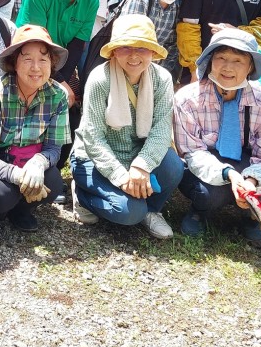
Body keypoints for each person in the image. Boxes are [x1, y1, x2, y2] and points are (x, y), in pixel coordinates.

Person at [71, 15, 184, 238]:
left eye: (142, 48)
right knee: (129, 213)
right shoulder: (99, 78)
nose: (134, 55)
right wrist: (122, 178)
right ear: (113, 51)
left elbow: (162, 130)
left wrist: (141, 167)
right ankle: (82, 196)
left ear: (153, 52)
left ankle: (152, 211)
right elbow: (93, 139)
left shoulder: (162, 79)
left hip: (135, 154)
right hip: (94, 160)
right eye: (125, 47)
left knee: (173, 166)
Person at [173, 28, 261, 242]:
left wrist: (251, 181)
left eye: (238, 61)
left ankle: (249, 214)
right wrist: (230, 176)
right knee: (208, 195)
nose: (228, 67)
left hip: (246, 164)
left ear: (251, 67)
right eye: (221, 58)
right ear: (209, 61)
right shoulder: (187, 98)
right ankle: (200, 212)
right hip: (202, 165)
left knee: (260, 200)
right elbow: (191, 151)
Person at [0, 25, 69, 233]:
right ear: (14, 63)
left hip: (27, 158)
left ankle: (21, 210)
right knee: (3, 195)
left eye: (43, 59)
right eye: (27, 59)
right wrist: (17, 175)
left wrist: (39, 163)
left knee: (53, 182)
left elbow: (53, 148)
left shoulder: (58, 95)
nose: (36, 67)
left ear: (52, 63)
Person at [17, 0, 108, 111]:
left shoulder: (91, 0)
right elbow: (34, 43)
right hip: (29, 60)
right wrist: (58, 82)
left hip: (60, 66)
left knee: (70, 101)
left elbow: (76, 46)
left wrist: (61, 82)